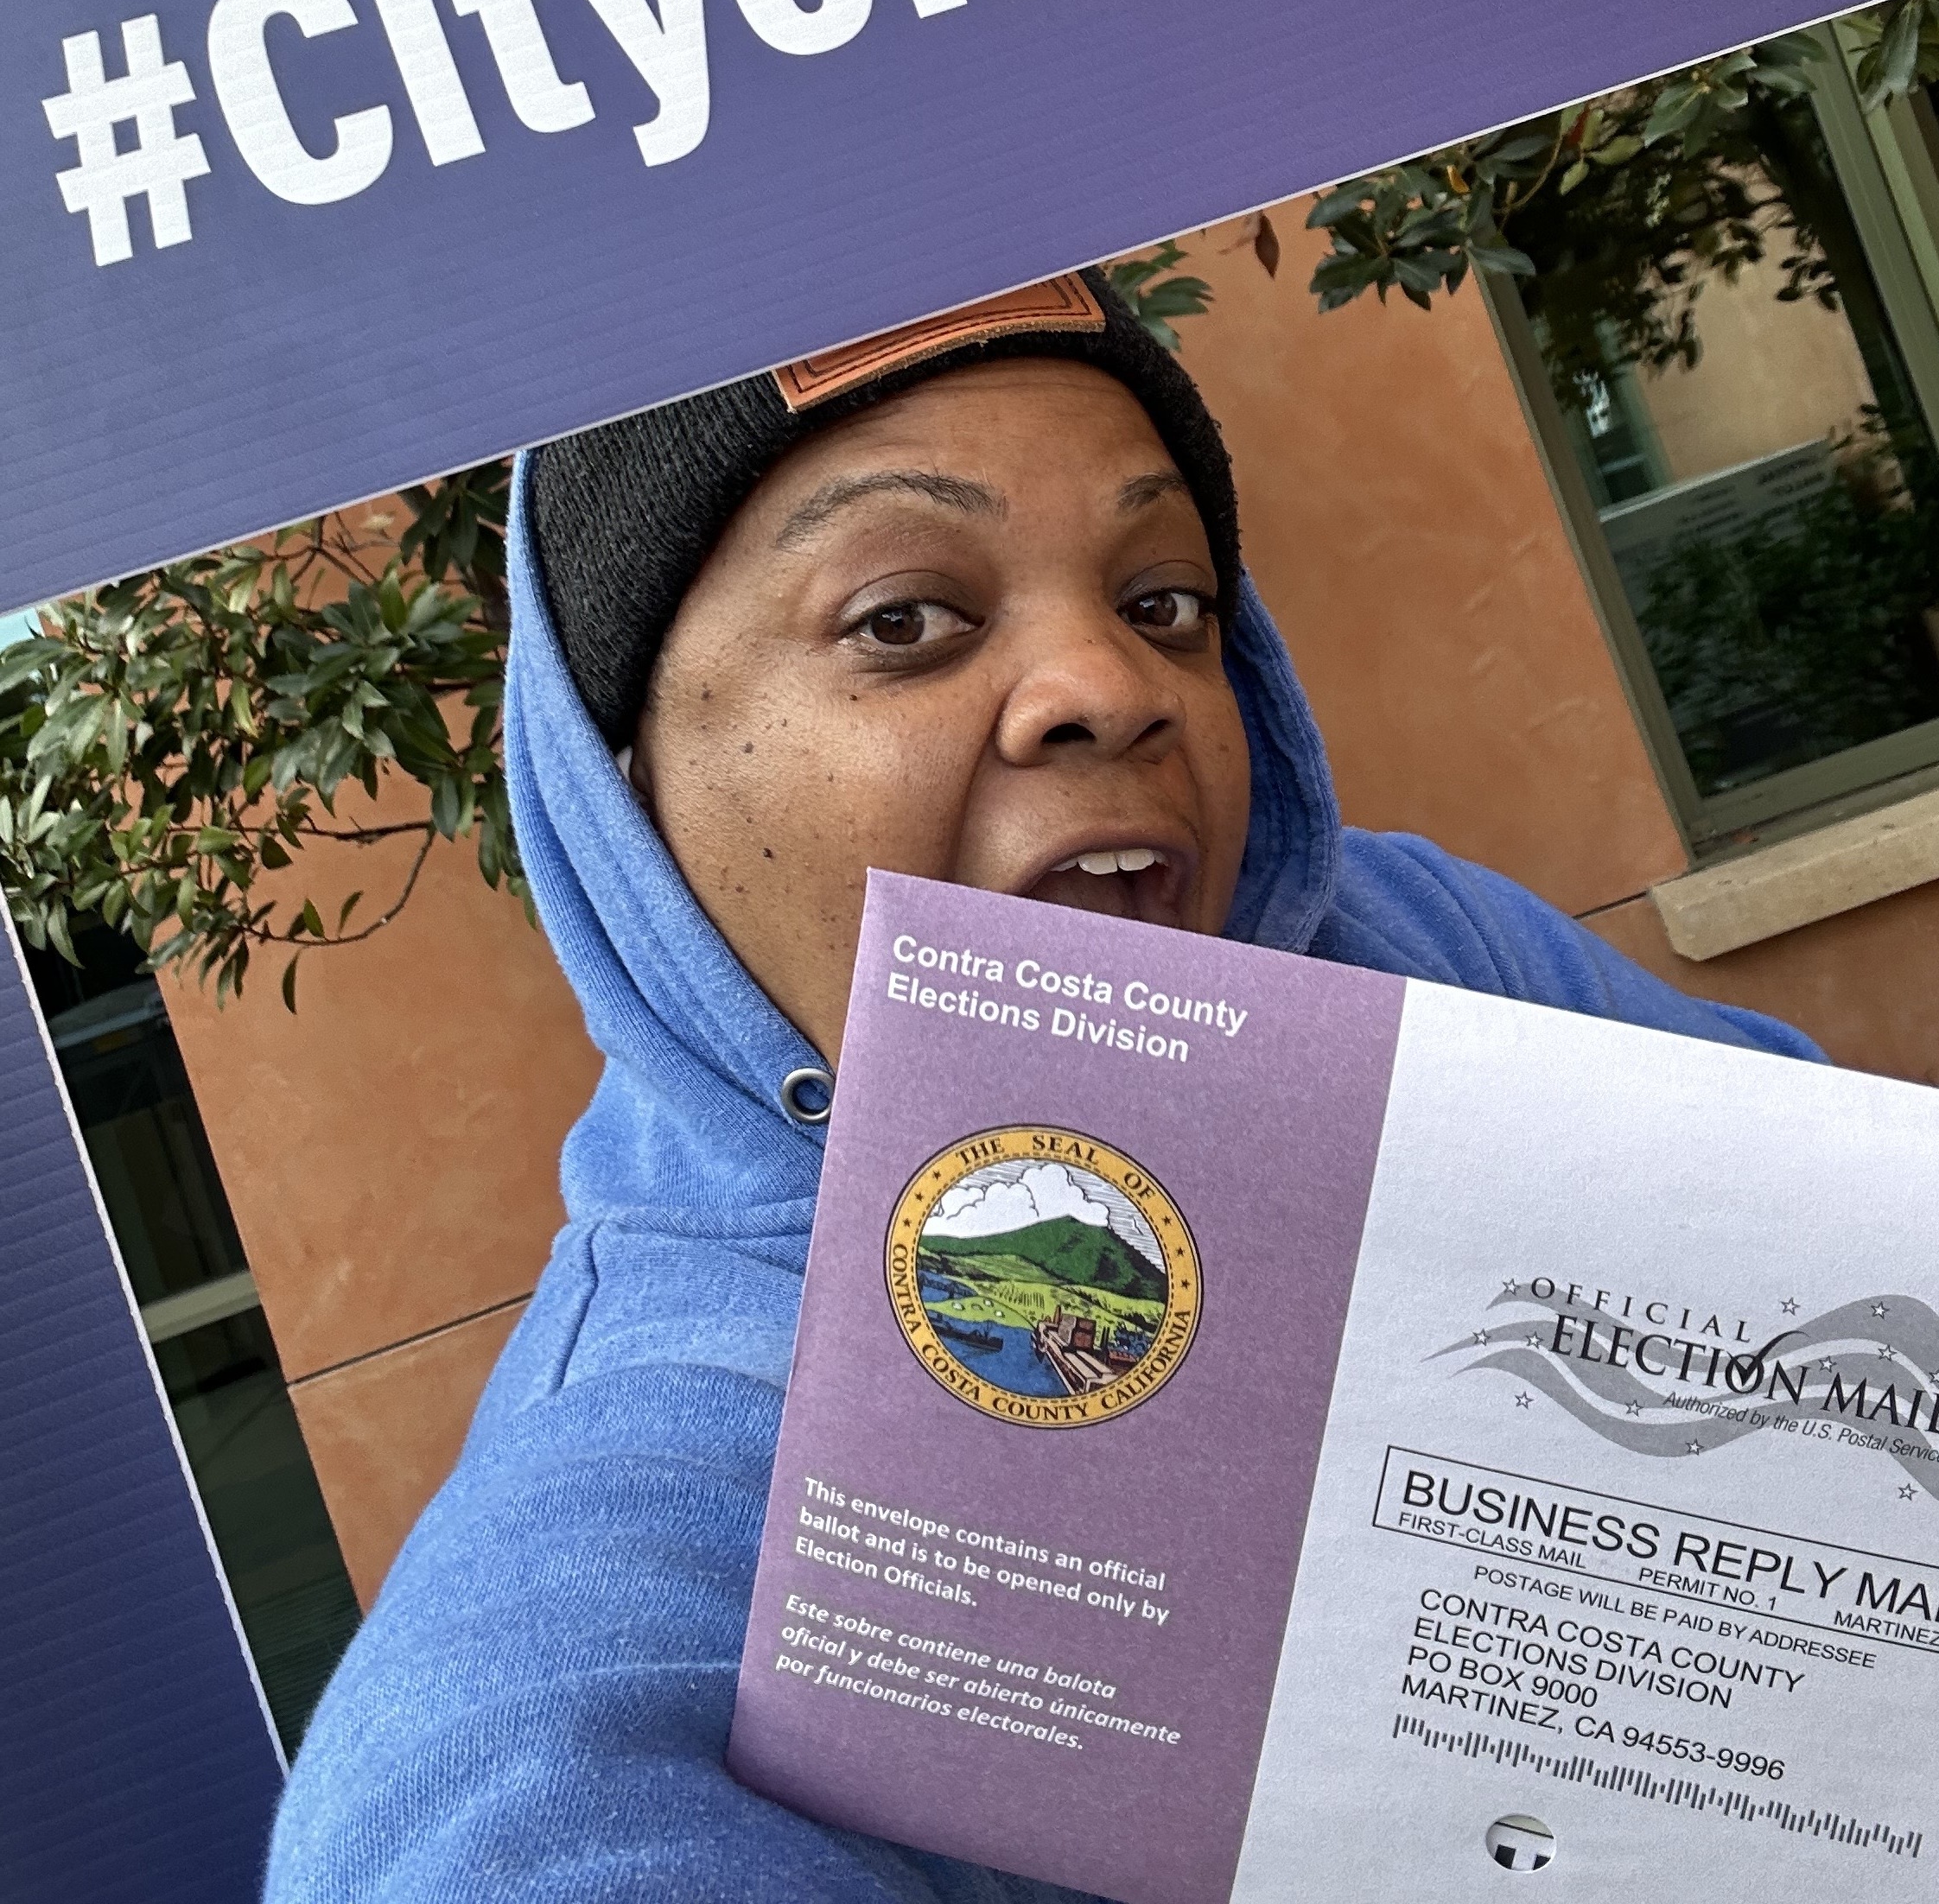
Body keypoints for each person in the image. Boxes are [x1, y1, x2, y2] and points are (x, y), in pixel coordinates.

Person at [263, 272, 1820, 1901]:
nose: (1112, 681)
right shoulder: (675, 1460)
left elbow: (1869, 1265)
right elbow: (493, 1804)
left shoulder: (1417, 934)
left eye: (1165, 603)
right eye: (905, 619)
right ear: (627, 778)